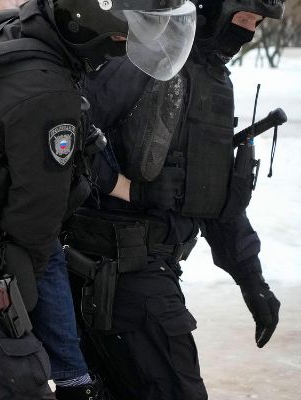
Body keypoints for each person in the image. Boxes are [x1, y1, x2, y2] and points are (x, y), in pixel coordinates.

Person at [0, 0, 197, 399]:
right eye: (120, 35)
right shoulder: (45, 92)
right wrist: (65, 364)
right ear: (89, 20)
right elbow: (35, 232)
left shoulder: (2, 31)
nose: (121, 46)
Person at [65, 1, 284, 399]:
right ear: (209, 9)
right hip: (118, 276)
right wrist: (126, 187)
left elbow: (212, 195)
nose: (248, 32)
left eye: (256, 23)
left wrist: (252, 282)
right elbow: (64, 139)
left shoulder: (214, 82)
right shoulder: (141, 63)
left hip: (150, 273)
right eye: (243, 18)